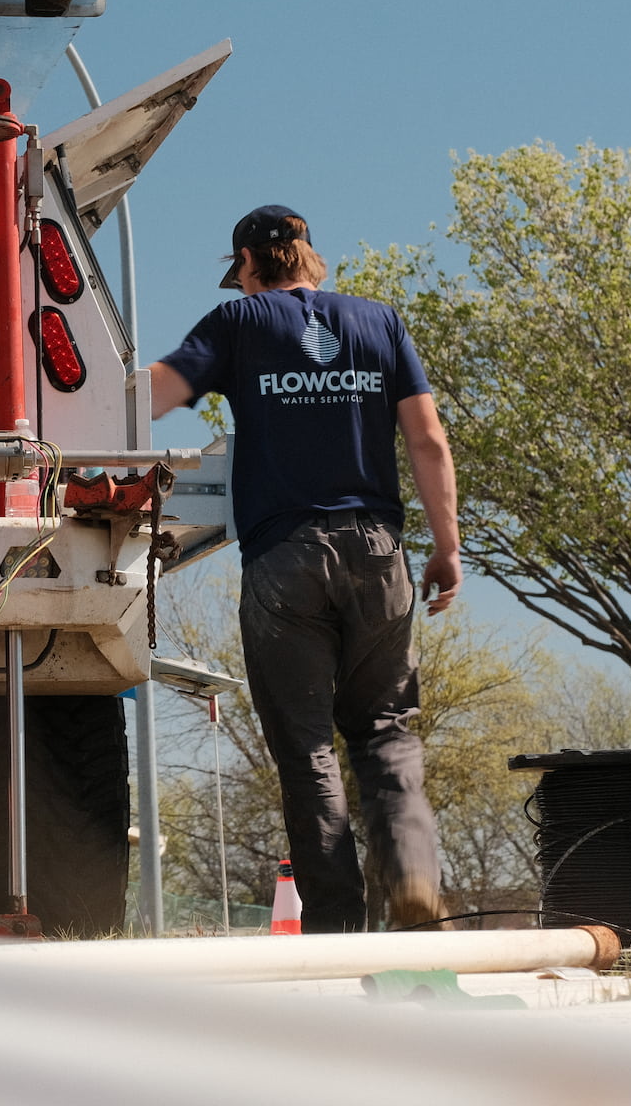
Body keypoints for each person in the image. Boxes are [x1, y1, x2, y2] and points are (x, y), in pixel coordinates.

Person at [148, 204, 461, 933]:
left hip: (286, 558)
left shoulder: (239, 324)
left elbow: (154, 395)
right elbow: (429, 442)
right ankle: (414, 881)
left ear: (250, 268)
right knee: (386, 731)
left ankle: (334, 929)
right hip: (380, 554)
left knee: (308, 747)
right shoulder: (380, 322)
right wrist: (446, 546)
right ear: (310, 259)